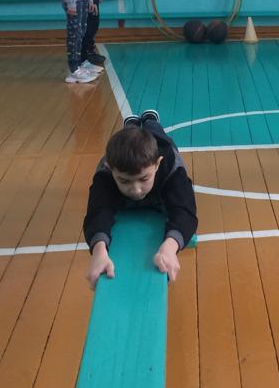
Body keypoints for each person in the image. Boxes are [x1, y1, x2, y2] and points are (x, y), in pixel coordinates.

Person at [84, 110, 198, 289]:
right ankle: (131, 125)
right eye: (124, 181)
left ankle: (150, 120)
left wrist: (170, 247)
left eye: (144, 178)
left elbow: (184, 210)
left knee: (154, 129)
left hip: (159, 141)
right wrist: (99, 250)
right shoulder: (104, 174)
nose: (136, 190)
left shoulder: (172, 170)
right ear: (110, 169)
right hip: (129, 153)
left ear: (157, 164)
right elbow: (98, 211)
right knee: (129, 135)